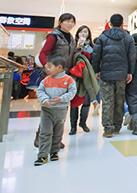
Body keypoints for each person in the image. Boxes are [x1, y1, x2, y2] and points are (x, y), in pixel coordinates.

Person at [33, 13, 77, 148]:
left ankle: (56, 140)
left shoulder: (71, 38)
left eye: (72, 22)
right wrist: (46, 66)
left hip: (65, 75)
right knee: (50, 107)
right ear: (61, 22)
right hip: (53, 75)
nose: (69, 24)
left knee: (61, 108)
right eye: (67, 21)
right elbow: (43, 52)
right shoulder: (54, 36)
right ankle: (41, 137)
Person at [92, 14, 135, 138]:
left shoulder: (103, 36)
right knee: (119, 100)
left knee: (107, 101)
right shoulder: (127, 37)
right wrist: (130, 72)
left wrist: (97, 70)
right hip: (122, 74)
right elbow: (131, 57)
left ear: (110, 23)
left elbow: (96, 55)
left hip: (106, 74)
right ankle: (117, 127)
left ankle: (108, 129)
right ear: (122, 23)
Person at [34, 56, 77, 166]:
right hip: (47, 110)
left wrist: (61, 99)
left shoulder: (68, 80)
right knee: (45, 132)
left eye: (49, 67)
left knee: (58, 132)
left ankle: (54, 151)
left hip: (61, 110)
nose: (46, 69)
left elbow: (72, 93)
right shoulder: (46, 80)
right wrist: (44, 100)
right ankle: (42, 155)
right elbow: (40, 91)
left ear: (59, 67)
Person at [69, 25, 98, 135]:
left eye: (85, 32)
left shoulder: (92, 47)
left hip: (87, 76)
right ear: (77, 34)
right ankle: (73, 126)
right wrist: (77, 47)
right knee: (74, 101)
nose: (83, 34)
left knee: (86, 101)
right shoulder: (72, 45)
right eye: (81, 32)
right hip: (75, 76)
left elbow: (94, 61)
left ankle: (83, 122)